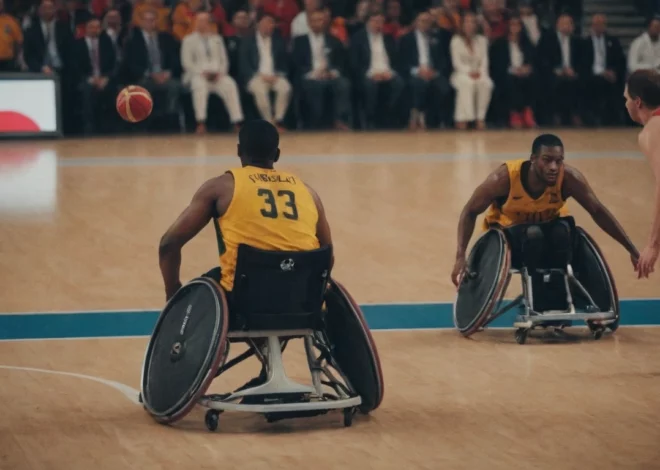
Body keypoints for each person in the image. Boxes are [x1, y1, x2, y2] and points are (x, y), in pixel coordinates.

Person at [158, 120, 332, 300]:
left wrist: (173, 292)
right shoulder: (308, 192)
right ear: (277, 154)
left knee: (208, 283)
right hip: (302, 298)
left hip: (245, 299)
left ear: (239, 151)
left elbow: (168, 244)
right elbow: (328, 255)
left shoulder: (220, 188)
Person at [451, 133, 639, 287]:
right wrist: (460, 255)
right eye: (547, 160)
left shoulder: (568, 178)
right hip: (511, 240)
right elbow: (470, 211)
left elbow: (597, 211)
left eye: (559, 161)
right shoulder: (503, 178)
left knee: (562, 231)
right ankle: (538, 292)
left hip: (551, 237)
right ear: (533, 159)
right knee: (534, 234)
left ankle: (573, 294)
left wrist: (631, 248)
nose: (554, 167)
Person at [624, 69, 660, 278]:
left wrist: (653, 245)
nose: (625, 103)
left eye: (626, 99)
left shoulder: (652, 130)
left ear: (637, 102)